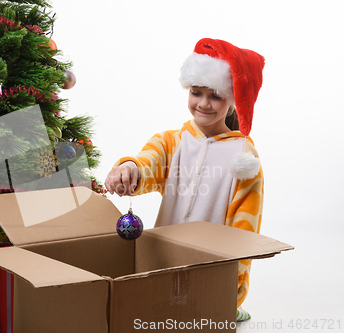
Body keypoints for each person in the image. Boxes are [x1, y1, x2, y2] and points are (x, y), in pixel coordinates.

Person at [104, 38, 265, 322]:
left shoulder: (244, 158)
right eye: (196, 92)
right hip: (163, 267)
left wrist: (231, 290)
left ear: (232, 100)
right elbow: (148, 162)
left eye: (215, 95)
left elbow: (245, 230)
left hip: (211, 278)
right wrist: (129, 168)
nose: (203, 104)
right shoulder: (171, 141)